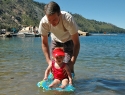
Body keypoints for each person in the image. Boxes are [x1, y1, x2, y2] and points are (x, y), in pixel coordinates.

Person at [38, 1, 80, 74]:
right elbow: (44, 43)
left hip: (69, 41)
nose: (52, 23)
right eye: (49, 20)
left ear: (59, 14)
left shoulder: (68, 19)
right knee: (54, 66)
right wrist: (48, 61)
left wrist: (72, 62)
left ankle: (71, 82)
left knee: (67, 67)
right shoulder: (44, 22)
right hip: (55, 41)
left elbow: (76, 43)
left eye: (54, 19)